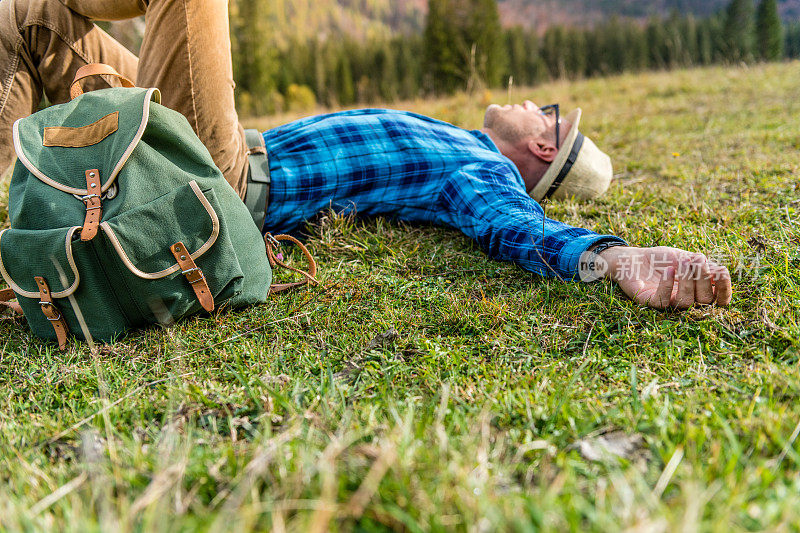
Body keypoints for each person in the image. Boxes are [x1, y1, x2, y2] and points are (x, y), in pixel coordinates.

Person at [0, 0, 732, 311]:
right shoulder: (460, 139)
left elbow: (517, 229)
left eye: (546, 112)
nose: (531, 100)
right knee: (28, 15)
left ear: (543, 145)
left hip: (221, 182)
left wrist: (614, 258)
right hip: (211, 145)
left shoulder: (480, 172)